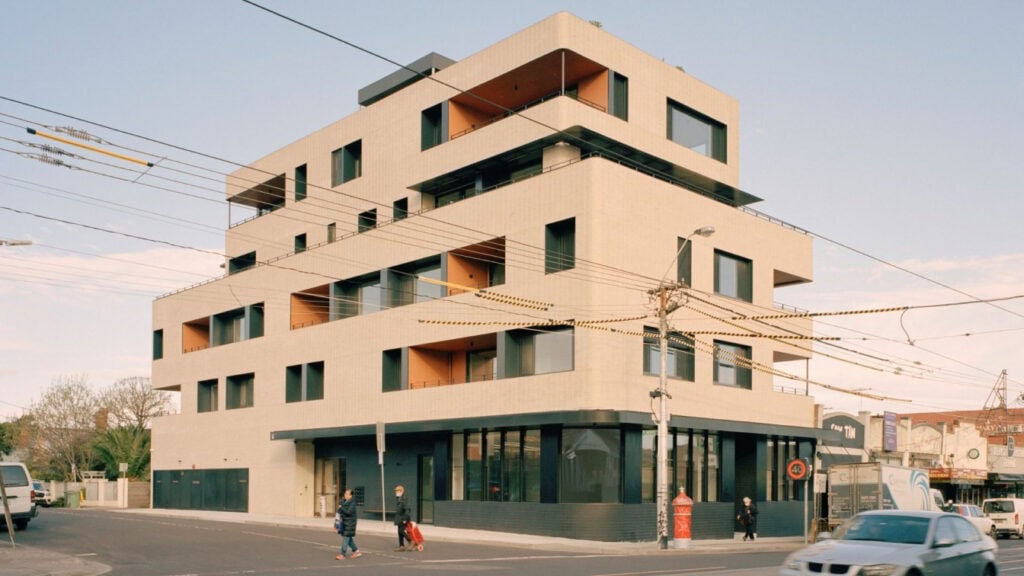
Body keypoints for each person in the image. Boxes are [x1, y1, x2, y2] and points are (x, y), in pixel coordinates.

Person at [335, 489, 362, 560]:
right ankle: (356, 551)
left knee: (346, 537)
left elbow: (349, 512)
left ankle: (342, 554)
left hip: (350, 523)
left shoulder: (352, 503)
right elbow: (340, 511)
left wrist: (341, 508)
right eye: (345, 493)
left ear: (351, 496)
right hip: (344, 522)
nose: (345, 495)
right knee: (349, 539)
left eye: (347, 494)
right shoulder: (343, 501)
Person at [393, 484, 411, 551]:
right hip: (399, 518)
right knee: (399, 532)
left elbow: (407, 509)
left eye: (397, 491)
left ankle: (410, 540)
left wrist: (405, 519)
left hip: (404, 517)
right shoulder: (399, 499)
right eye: (396, 491)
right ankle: (401, 546)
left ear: (401, 491)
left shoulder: (404, 498)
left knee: (401, 530)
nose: (396, 492)